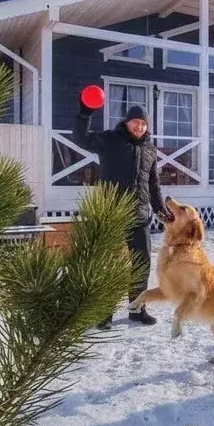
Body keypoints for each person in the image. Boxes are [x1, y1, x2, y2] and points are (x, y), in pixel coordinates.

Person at [75, 100, 174, 329]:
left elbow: (153, 184)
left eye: (143, 123)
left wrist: (160, 209)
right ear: (127, 122)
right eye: (136, 122)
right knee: (109, 264)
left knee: (141, 263)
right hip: (112, 214)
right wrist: (85, 113)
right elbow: (82, 138)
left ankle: (137, 310)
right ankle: (103, 312)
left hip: (139, 216)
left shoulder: (150, 149)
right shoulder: (110, 140)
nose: (139, 127)